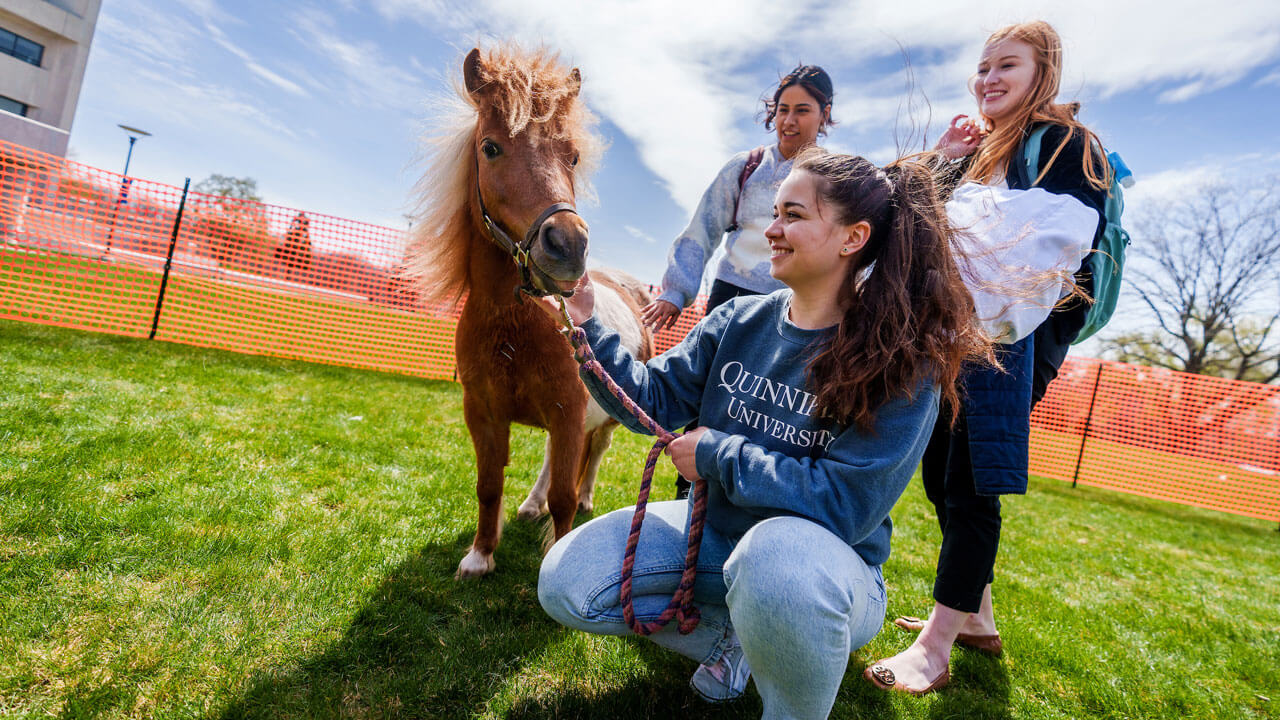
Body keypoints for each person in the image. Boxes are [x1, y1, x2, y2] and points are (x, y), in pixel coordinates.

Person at [537, 148, 990, 718]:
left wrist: (722, 455)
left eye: (793, 215)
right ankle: (742, 642)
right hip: (717, 535)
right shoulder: (739, 320)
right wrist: (587, 324)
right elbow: (652, 400)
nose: (770, 230)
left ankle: (788, 670)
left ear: (853, 238)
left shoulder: (903, 359)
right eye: (774, 212)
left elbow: (848, 504)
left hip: (818, 566)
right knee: (566, 582)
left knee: (772, 561)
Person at [864, 20, 1113, 696]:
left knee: (972, 482)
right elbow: (894, 215)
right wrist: (941, 156)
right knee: (944, 477)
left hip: (1006, 342)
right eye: (982, 67)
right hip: (951, 339)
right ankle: (976, 620)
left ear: (1044, 73)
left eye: (1008, 65)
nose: (989, 79)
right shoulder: (979, 152)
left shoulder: (1065, 143)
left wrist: (971, 315)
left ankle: (936, 648)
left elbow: (1048, 248)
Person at [641, 64, 836, 498]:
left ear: (824, 115)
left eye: (802, 110)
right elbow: (702, 228)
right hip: (731, 302)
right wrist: (676, 290)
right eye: (783, 109)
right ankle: (687, 505)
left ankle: (755, 504)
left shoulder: (834, 179)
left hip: (796, 312)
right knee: (710, 406)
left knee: (772, 416)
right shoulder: (746, 168)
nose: (789, 120)